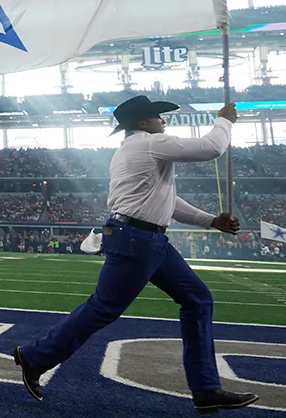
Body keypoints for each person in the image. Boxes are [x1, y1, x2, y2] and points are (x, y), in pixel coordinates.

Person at [14, 96, 258, 412]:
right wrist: (224, 120)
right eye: (158, 116)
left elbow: (169, 200)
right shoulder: (147, 144)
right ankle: (34, 357)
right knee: (103, 308)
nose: (163, 120)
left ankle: (207, 389)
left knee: (198, 299)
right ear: (143, 122)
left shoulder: (135, 148)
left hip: (147, 239)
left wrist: (210, 221)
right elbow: (212, 147)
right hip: (136, 239)